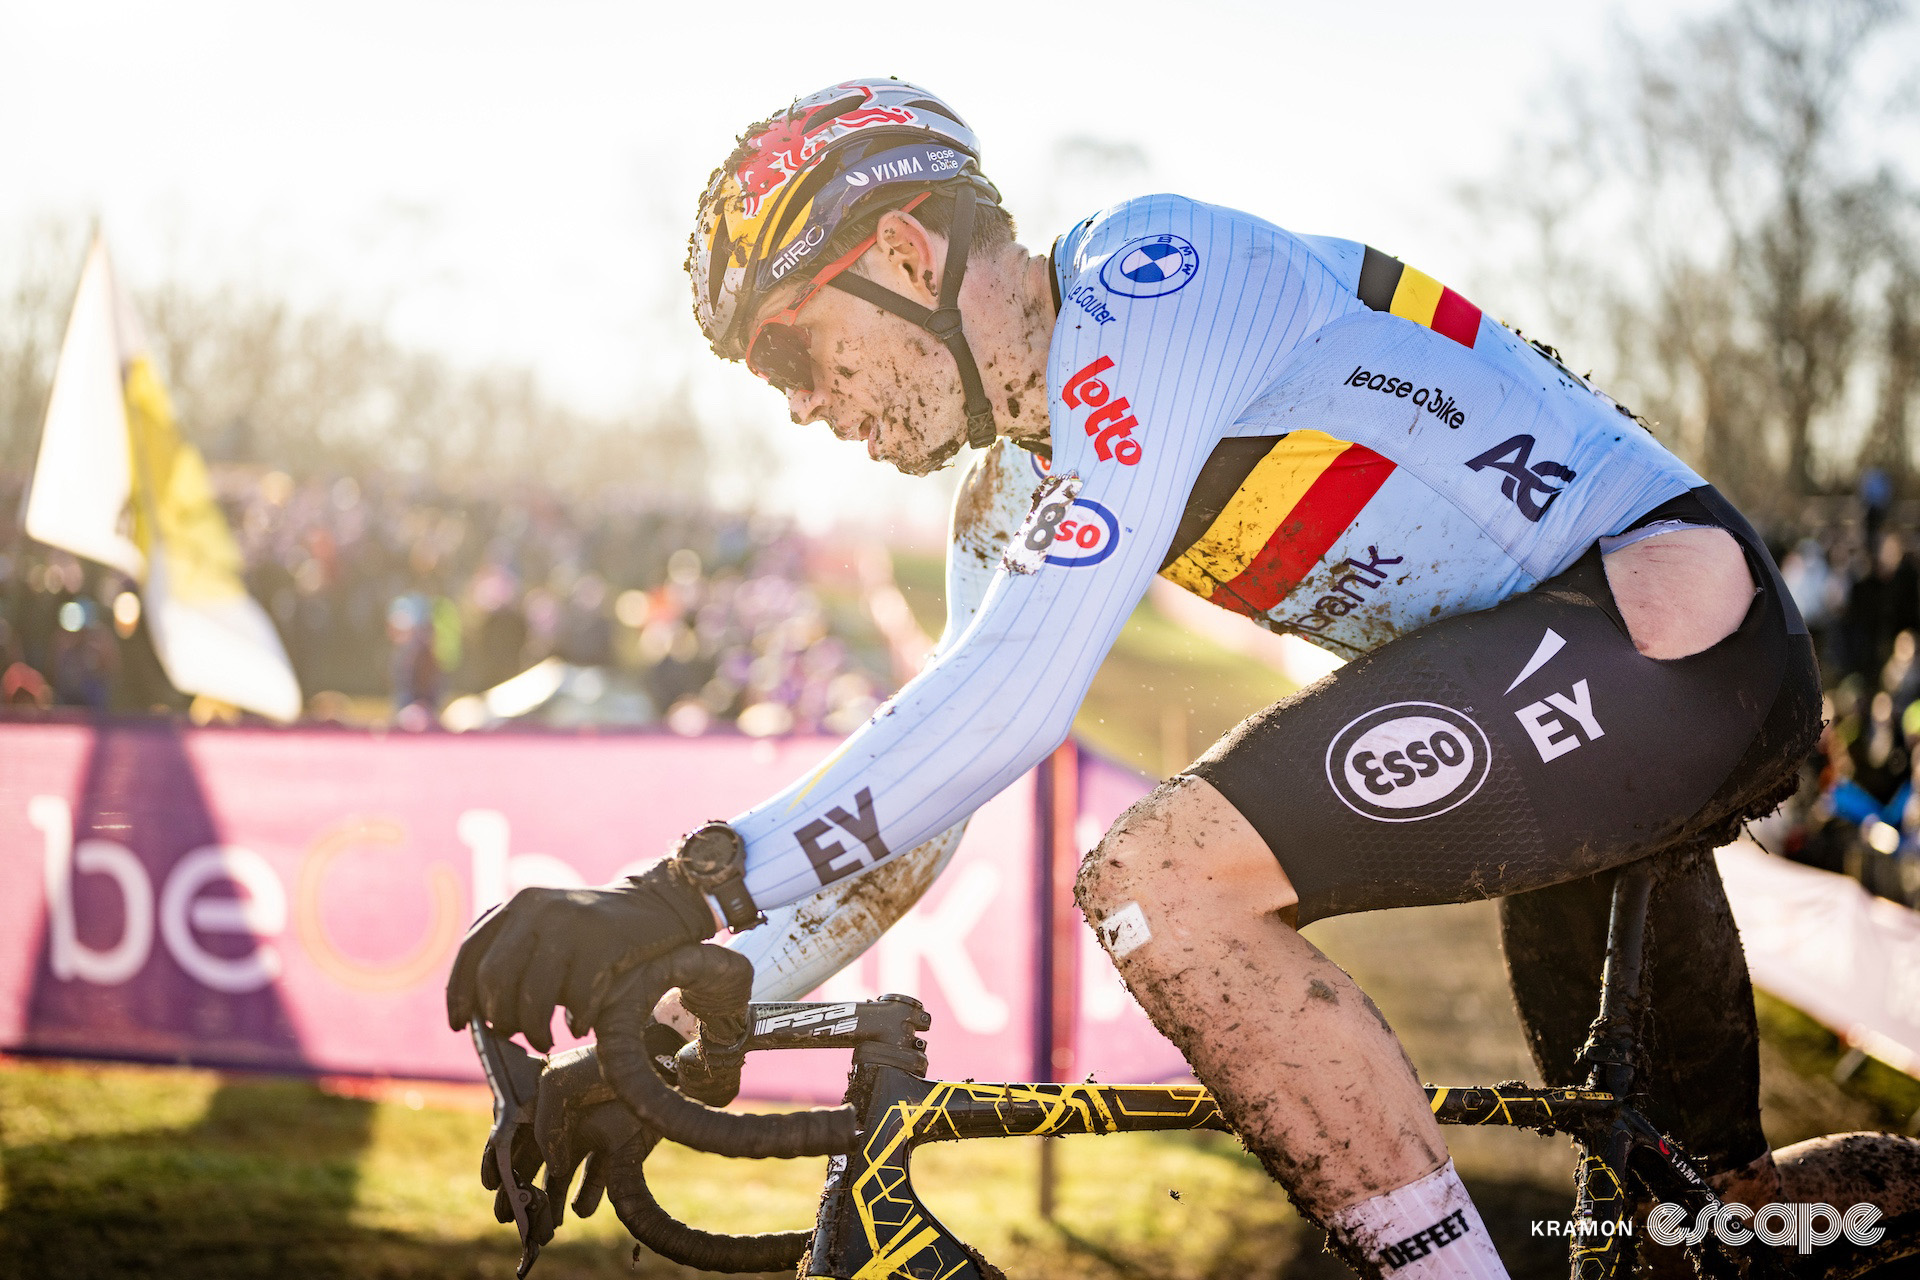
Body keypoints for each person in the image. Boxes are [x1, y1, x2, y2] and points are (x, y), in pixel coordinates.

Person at [447, 79, 1818, 1278]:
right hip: (1557, 695)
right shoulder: (1007, 494)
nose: (802, 406)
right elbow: (928, 798)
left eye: (791, 354)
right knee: (1706, 1230)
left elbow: (1021, 692)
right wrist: (708, 989)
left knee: (1159, 884)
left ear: (905, 252)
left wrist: (671, 891)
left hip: (1668, 632)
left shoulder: (1159, 279)